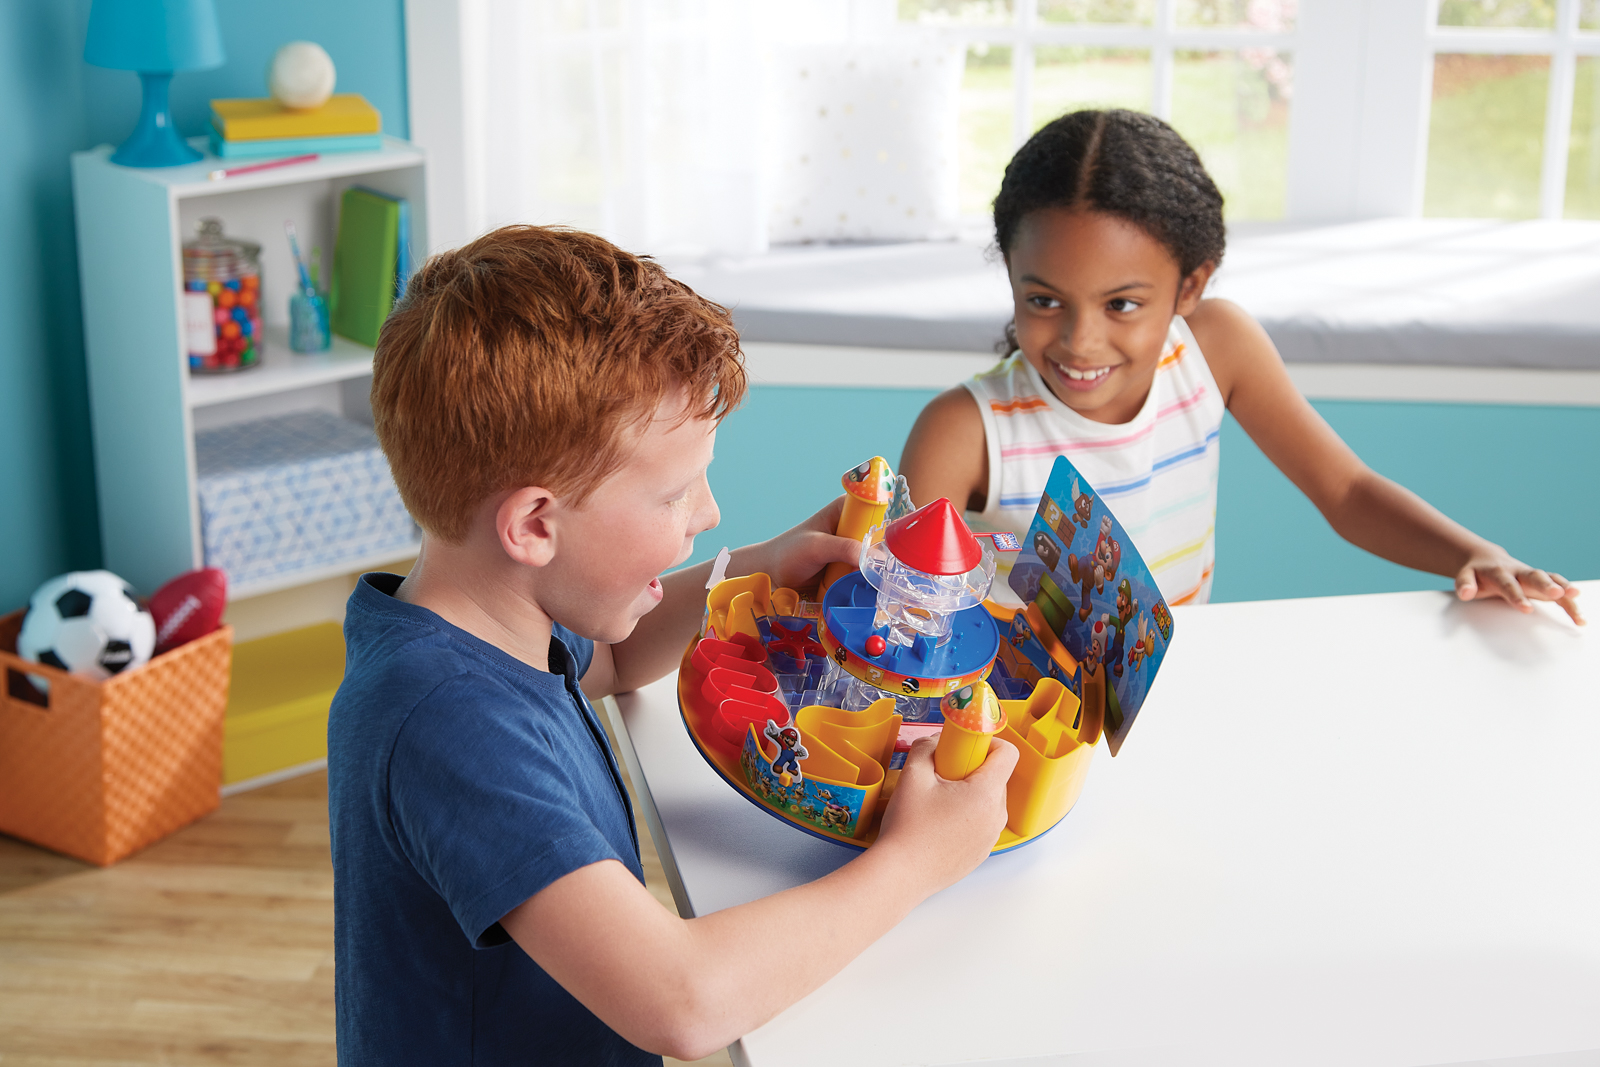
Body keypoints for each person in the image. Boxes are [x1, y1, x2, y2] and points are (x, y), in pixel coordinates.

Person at [326, 225, 1019, 1066]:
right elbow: (683, 1002)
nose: (709, 513)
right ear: (535, 525)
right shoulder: (448, 724)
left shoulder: (483, 619)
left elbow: (613, 661)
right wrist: (916, 862)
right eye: (674, 494)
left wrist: (765, 563)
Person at [899, 108, 1583, 625]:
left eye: (1122, 304)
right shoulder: (963, 430)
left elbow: (1346, 491)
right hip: (1015, 732)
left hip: (1177, 694)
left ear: (1190, 287)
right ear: (1012, 275)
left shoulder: (1215, 348)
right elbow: (900, 606)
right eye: (1044, 300)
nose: (1081, 340)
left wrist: (1474, 554)